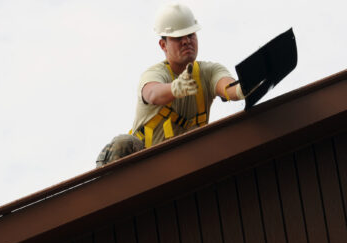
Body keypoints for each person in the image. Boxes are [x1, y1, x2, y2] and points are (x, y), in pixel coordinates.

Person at [96, 2, 244, 168]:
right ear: (163, 45)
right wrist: (174, 88)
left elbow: (227, 86)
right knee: (123, 143)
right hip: (143, 166)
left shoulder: (209, 72)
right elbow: (152, 93)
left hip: (183, 165)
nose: (186, 41)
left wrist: (240, 89)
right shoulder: (155, 74)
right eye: (178, 38)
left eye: (191, 35)